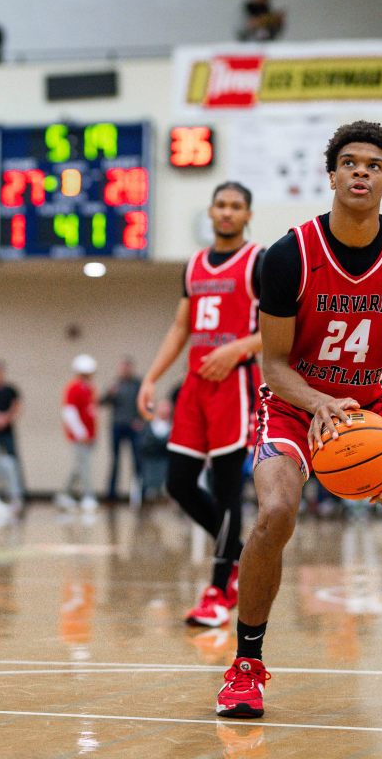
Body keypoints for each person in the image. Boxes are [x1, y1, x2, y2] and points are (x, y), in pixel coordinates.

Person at [218, 121, 382, 719]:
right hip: (292, 407)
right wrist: (316, 404)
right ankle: (245, 667)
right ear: (331, 176)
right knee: (276, 513)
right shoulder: (289, 255)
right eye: (349, 162)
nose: (360, 172)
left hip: (368, 411)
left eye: (373, 165)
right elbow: (273, 366)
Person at [137, 181, 263, 629]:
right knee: (179, 483)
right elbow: (179, 327)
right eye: (221, 205)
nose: (227, 212)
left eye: (236, 206)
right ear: (210, 212)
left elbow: (283, 328)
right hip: (195, 385)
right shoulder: (192, 265)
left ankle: (219, 587)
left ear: (248, 215)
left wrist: (238, 349)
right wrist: (152, 377)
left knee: (229, 491)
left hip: (237, 383)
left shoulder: (259, 261)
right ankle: (242, 555)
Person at [60, 354, 99, 513]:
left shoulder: (90, 388)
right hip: (80, 436)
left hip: (90, 435)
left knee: (79, 466)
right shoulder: (73, 388)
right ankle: (88, 496)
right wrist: (81, 433)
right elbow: (69, 412)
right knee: (84, 466)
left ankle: (64, 494)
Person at [101, 357, 142, 502]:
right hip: (117, 425)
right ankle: (111, 494)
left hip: (133, 426)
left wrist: (140, 420)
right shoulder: (115, 384)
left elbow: (145, 403)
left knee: (137, 460)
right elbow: (102, 402)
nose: (124, 370)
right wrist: (110, 394)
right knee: (115, 460)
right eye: (122, 367)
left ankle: (138, 494)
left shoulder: (138, 384)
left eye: (127, 367)